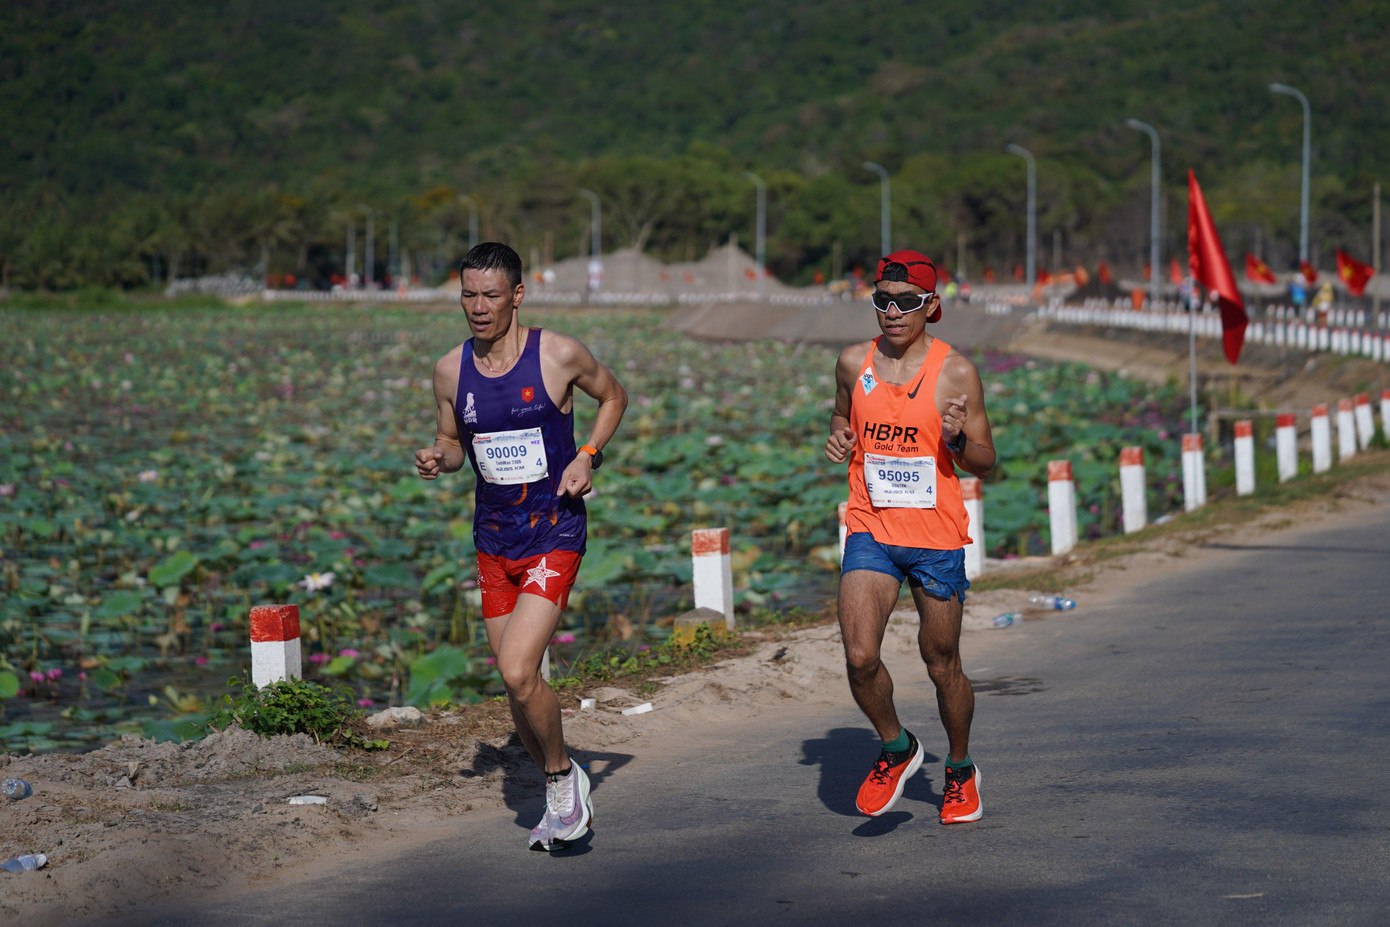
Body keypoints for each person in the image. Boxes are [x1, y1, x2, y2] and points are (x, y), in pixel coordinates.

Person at [415, 242, 628, 850]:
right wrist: (438, 458)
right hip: (493, 539)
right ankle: (561, 783)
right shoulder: (450, 370)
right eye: (468, 294)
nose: (478, 307)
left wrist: (588, 455)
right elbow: (452, 442)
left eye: (490, 295)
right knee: (517, 682)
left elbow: (614, 396)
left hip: (554, 531)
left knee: (515, 667)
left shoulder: (557, 354)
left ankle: (562, 778)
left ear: (517, 295)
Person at [824, 250, 996, 825]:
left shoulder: (956, 372)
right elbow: (840, 416)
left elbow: (986, 461)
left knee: (941, 663)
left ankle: (960, 768)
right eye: (883, 301)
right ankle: (897, 747)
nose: (893, 312)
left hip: (935, 537)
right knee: (859, 656)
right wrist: (839, 438)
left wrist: (956, 441)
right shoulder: (854, 362)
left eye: (907, 302)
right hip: (871, 526)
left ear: (932, 305)